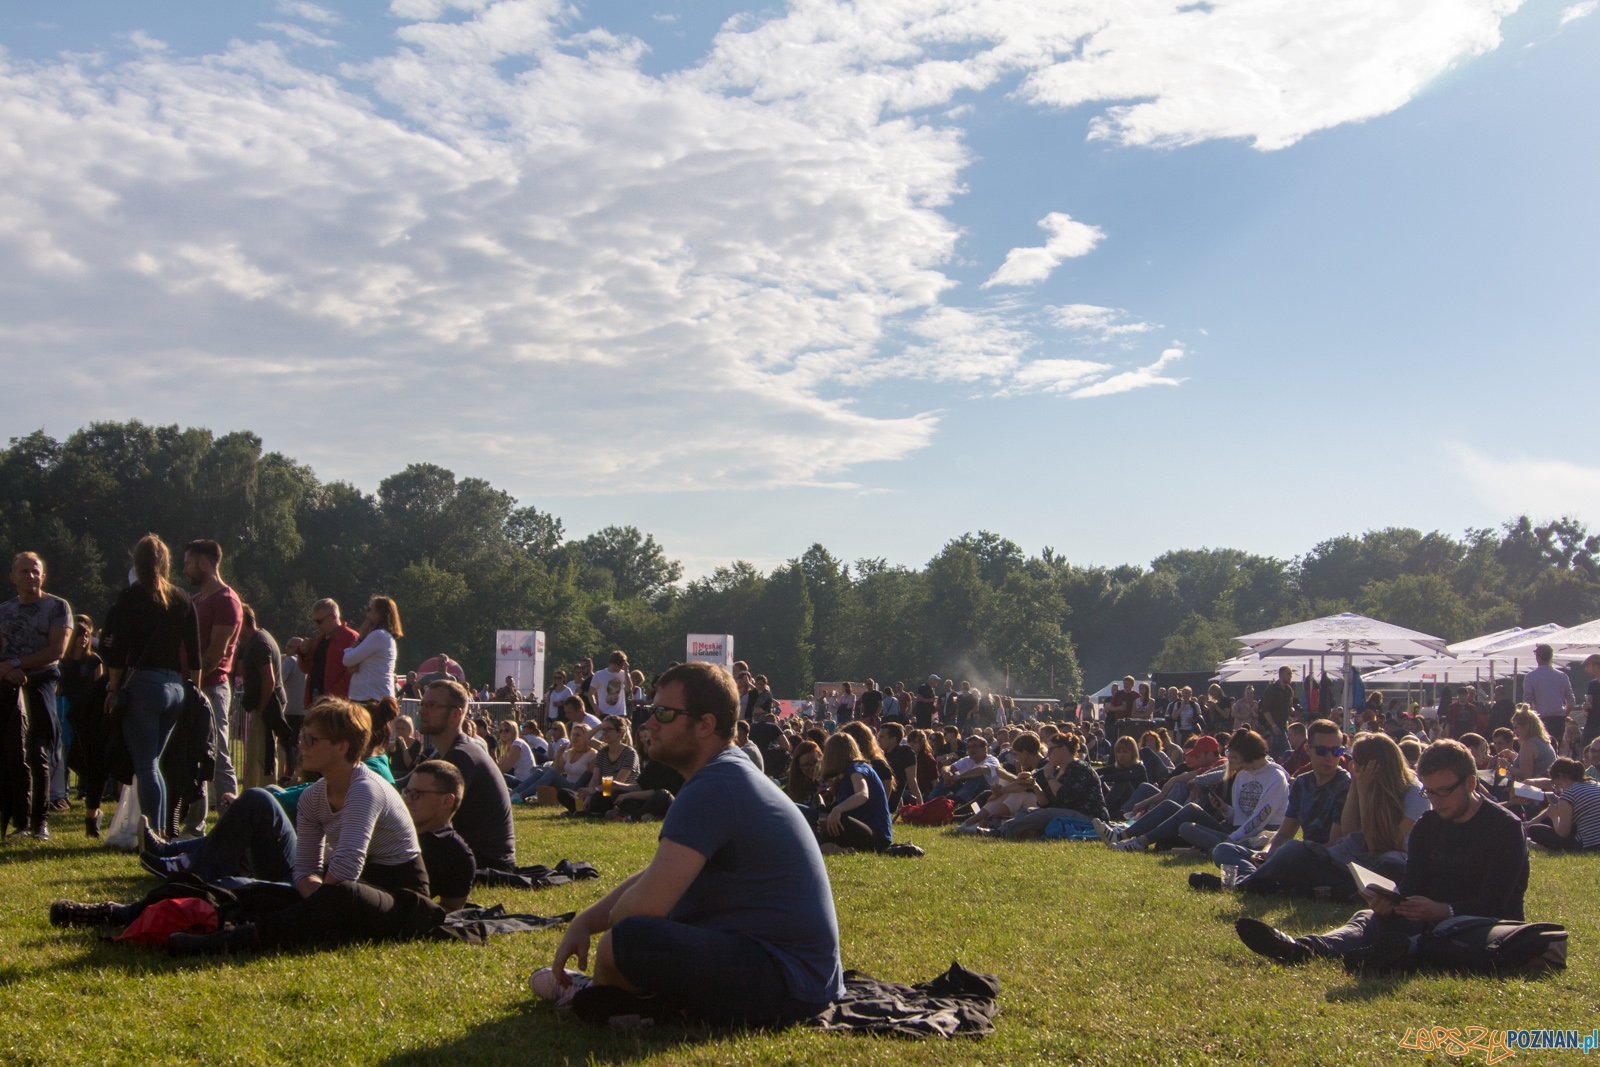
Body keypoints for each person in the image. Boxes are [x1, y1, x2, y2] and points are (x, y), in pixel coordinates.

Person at [534, 661, 845, 1027]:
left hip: (785, 983)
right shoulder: (726, 773)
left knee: (627, 941)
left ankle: (598, 993)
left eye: (663, 713)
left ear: (705, 725)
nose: (648, 723)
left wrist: (610, 940)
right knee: (631, 935)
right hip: (801, 976)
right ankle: (629, 999)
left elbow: (640, 909)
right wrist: (585, 922)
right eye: (651, 710)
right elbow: (660, 873)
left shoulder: (714, 785)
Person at [1236, 739, 1530, 972]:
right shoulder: (1429, 825)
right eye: (1430, 793)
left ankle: (1391, 954)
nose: (1436, 801)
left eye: (1443, 792)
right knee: (1368, 918)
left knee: (1446, 936)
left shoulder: (1504, 829)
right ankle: (1303, 947)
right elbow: (1413, 883)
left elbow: (1496, 903)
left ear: (1470, 784)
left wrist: (1442, 910)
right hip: (1427, 916)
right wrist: (1392, 901)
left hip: (1480, 925)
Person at [161, 756, 475, 956]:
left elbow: (444, 911)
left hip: (357, 897)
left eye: (418, 794)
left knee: (252, 886)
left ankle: (228, 938)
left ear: (447, 801)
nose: (408, 798)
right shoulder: (379, 817)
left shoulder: (456, 854)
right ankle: (149, 895)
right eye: (407, 791)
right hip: (324, 885)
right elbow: (323, 860)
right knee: (254, 826)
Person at [98, 536, 202, 839]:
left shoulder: (130, 597)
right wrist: (193, 692)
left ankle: (153, 833)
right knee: (154, 764)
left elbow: (117, 651)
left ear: (137, 562)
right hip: (175, 687)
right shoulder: (183, 598)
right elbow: (194, 655)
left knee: (146, 766)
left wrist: (113, 687)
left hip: (144, 683)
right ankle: (160, 828)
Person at [1193, 720, 1351, 892]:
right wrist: (1268, 852)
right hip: (1299, 857)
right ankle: (1265, 880)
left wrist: (1289, 855)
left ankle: (1243, 885)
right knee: (1223, 850)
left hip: (1329, 863)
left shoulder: (1345, 785)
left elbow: (1333, 845)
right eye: (1322, 751)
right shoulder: (1302, 783)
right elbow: (1284, 833)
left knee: (1293, 848)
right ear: (1308, 750)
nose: (1330, 757)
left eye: (1337, 751)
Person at [0, 552, 72, 840]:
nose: (31, 576)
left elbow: (57, 650)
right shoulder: (3, 610)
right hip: (6, 683)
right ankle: (17, 820)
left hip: (40, 681)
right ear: (12, 577)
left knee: (38, 750)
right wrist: (6, 671)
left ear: (43, 576)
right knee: (10, 752)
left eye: (36, 571)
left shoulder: (57, 606)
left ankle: (39, 820)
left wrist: (17, 664)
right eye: (25, 571)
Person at [410, 679, 516, 870]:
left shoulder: (461, 756)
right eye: (422, 704)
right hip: (474, 854)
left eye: (432, 705)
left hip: (484, 860)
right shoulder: (450, 751)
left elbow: (428, 813)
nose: (422, 711)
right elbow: (404, 784)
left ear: (456, 714)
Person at [176, 539, 243, 834]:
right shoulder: (195, 601)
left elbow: (214, 654)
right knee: (193, 758)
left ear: (204, 563)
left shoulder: (226, 601)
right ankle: (193, 825)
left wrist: (194, 689)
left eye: (189, 563)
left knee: (218, 757)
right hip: (190, 687)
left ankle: (235, 826)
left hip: (211, 689)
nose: (184, 569)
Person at [60, 614, 107, 835]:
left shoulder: (94, 661)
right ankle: (67, 790)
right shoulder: (65, 662)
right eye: (80, 636)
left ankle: (87, 787)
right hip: (67, 707)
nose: (84, 640)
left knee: (85, 750)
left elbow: (99, 686)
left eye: (87, 636)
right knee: (68, 749)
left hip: (89, 711)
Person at [237, 604, 294, 786]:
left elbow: (268, 681)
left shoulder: (259, 643)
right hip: (267, 704)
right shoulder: (259, 639)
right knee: (262, 753)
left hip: (268, 705)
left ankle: (257, 794)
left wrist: (260, 709)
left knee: (260, 755)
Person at [814, 732, 893, 851]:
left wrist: (837, 809)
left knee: (842, 820)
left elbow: (863, 794)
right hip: (861, 830)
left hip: (877, 835)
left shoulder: (857, 768)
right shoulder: (844, 776)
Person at [288, 598, 360, 707]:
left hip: (339, 705)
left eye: (319, 621)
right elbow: (306, 669)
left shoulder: (350, 637)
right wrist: (304, 653)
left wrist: (330, 697)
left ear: (333, 617)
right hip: (317, 701)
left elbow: (351, 673)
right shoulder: (320, 640)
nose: (317, 625)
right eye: (315, 621)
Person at [565, 715, 639, 815]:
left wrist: (594, 790)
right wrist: (588, 798)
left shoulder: (630, 753)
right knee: (563, 793)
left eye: (609, 729)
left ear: (620, 732)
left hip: (620, 793)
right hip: (600, 790)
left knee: (606, 795)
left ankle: (586, 811)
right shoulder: (602, 751)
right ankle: (585, 809)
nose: (604, 732)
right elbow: (595, 779)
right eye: (603, 729)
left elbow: (617, 783)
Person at [1524, 758, 1600, 851]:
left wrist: (1554, 817)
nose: (1556, 787)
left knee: (1534, 830)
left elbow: (1563, 833)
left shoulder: (1568, 795)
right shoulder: (1594, 784)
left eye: (1555, 783)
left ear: (1560, 776)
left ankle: (1543, 846)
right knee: (1544, 822)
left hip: (1588, 844)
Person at [343, 596, 401, 705]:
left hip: (370, 698)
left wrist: (360, 638)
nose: (366, 614)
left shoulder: (378, 635)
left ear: (380, 614)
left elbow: (347, 660)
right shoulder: (384, 636)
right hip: (375, 696)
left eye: (370, 609)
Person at [1523, 643, 1575, 750]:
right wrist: (1564, 715)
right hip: (1558, 719)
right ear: (1551, 657)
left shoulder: (1531, 677)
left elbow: (1528, 702)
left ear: (1537, 657)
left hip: (1539, 719)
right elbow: (1571, 702)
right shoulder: (1562, 676)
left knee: (1539, 750)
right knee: (1555, 750)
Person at [932, 734, 1001, 806]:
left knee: (976, 777)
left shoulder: (992, 760)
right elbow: (948, 767)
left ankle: (957, 802)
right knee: (948, 776)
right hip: (970, 791)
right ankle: (931, 800)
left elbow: (981, 770)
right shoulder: (968, 759)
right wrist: (947, 773)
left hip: (987, 793)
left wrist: (958, 777)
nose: (971, 749)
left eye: (975, 746)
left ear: (984, 749)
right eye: (968, 747)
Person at [1098, 736, 1149, 816]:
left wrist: (1106, 777)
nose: (1121, 755)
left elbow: (1126, 775)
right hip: (1119, 802)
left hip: (1135, 803)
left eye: (1125, 752)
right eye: (1119, 752)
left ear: (1133, 753)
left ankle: (1102, 811)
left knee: (1123, 781)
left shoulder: (1139, 768)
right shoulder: (1118, 766)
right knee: (1098, 780)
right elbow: (1098, 772)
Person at [1507, 706, 1557, 782]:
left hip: (1535, 790)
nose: (1514, 732)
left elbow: (1525, 775)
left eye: (1516, 728)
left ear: (1526, 727)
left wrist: (1507, 766)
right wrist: (1514, 756)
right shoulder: (1542, 741)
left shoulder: (1529, 744)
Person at [877, 722, 920, 807]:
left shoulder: (905, 752)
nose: (878, 739)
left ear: (893, 739)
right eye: (878, 736)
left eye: (882, 737)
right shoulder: (883, 755)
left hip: (885, 801)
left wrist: (920, 807)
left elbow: (912, 781)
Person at [1258, 666, 1294, 760]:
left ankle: (1268, 764)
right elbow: (1266, 710)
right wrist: (1273, 726)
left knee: (1276, 751)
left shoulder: (1288, 690)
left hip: (1283, 724)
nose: (1290, 676)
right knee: (1287, 750)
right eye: (1288, 674)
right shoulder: (1272, 690)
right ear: (1281, 674)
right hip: (1274, 724)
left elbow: (1288, 708)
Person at [495, 719, 536, 785]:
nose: (503, 733)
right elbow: (499, 764)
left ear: (513, 732)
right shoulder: (511, 745)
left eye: (507, 730)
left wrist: (490, 774)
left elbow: (506, 767)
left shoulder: (517, 744)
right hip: (519, 779)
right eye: (501, 731)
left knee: (493, 779)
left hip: (524, 782)